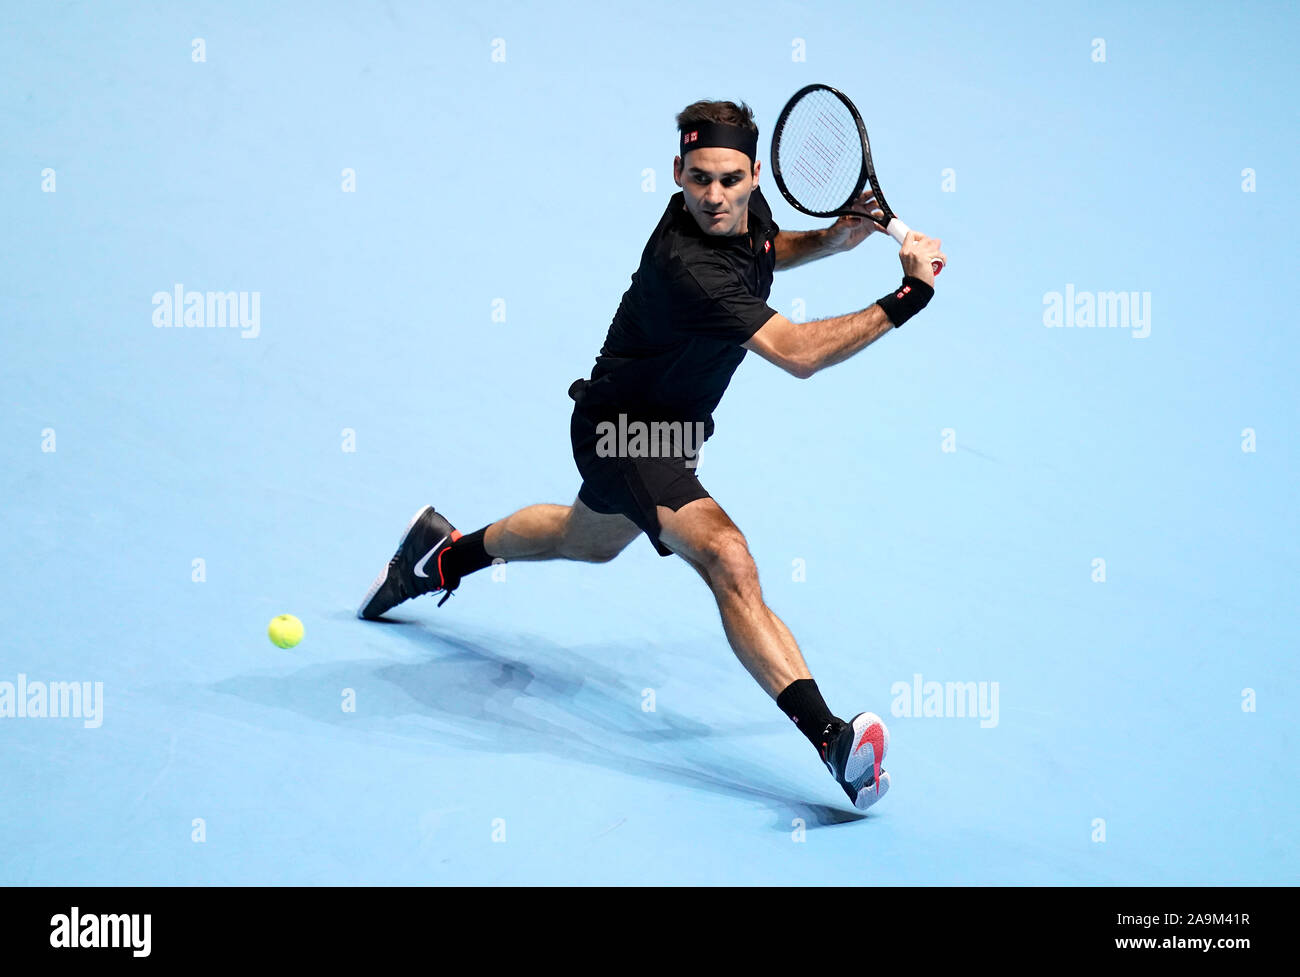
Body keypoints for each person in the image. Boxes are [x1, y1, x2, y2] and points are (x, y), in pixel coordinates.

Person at [358, 99, 946, 811]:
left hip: (671, 430)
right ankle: (832, 741)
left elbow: (763, 248)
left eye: (730, 180)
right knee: (727, 555)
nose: (715, 196)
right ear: (677, 173)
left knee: (587, 540)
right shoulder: (685, 262)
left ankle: (439, 555)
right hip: (623, 433)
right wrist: (910, 293)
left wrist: (830, 241)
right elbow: (797, 354)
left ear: (756, 175)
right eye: (698, 180)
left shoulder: (741, 219)